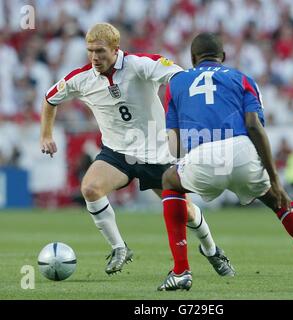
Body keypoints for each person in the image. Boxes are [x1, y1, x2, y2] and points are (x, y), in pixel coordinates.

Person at [40, 23, 235, 277]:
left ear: (115, 49)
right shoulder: (82, 78)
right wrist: (46, 135)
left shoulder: (139, 65)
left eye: (100, 51)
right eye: (90, 51)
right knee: (90, 188)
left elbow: (178, 77)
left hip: (157, 153)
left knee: (185, 212)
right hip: (117, 153)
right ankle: (119, 247)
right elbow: (49, 98)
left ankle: (211, 250)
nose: (94, 57)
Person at [157, 32, 293, 291]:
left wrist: (185, 165)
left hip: (202, 155)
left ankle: (181, 270)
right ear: (224, 57)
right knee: (280, 203)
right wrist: (275, 180)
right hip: (241, 151)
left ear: (193, 58)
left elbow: (173, 143)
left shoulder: (176, 83)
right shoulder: (242, 78)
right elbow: (254, 126)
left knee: (169, 181)